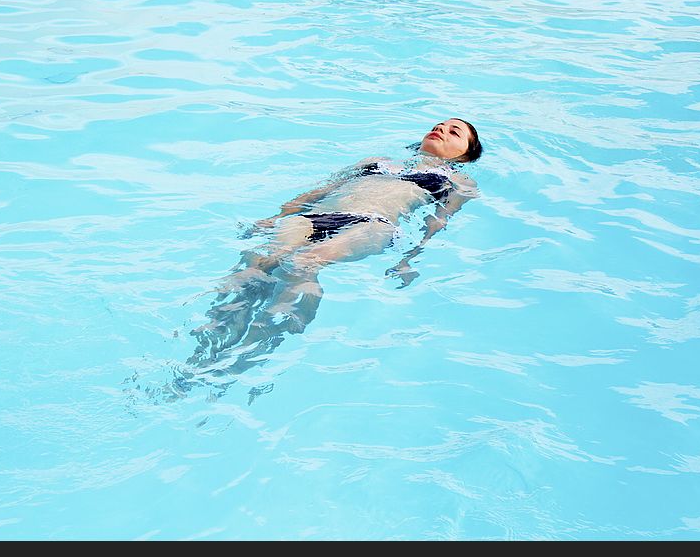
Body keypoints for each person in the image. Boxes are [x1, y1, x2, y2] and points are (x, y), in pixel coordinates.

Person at [174, 118, 483, 400]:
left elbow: (438, 221)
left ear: (465, 154)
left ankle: (257, 347)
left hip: (373, 224)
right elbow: (319, 191)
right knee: (259, 262)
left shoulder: (457, 181)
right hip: (318, 216)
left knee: (302, 263)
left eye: (454, 132)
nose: (441, 129)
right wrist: (274, 218)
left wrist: (409, 258)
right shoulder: (376, 161)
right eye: (439, 124)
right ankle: (211, 341)